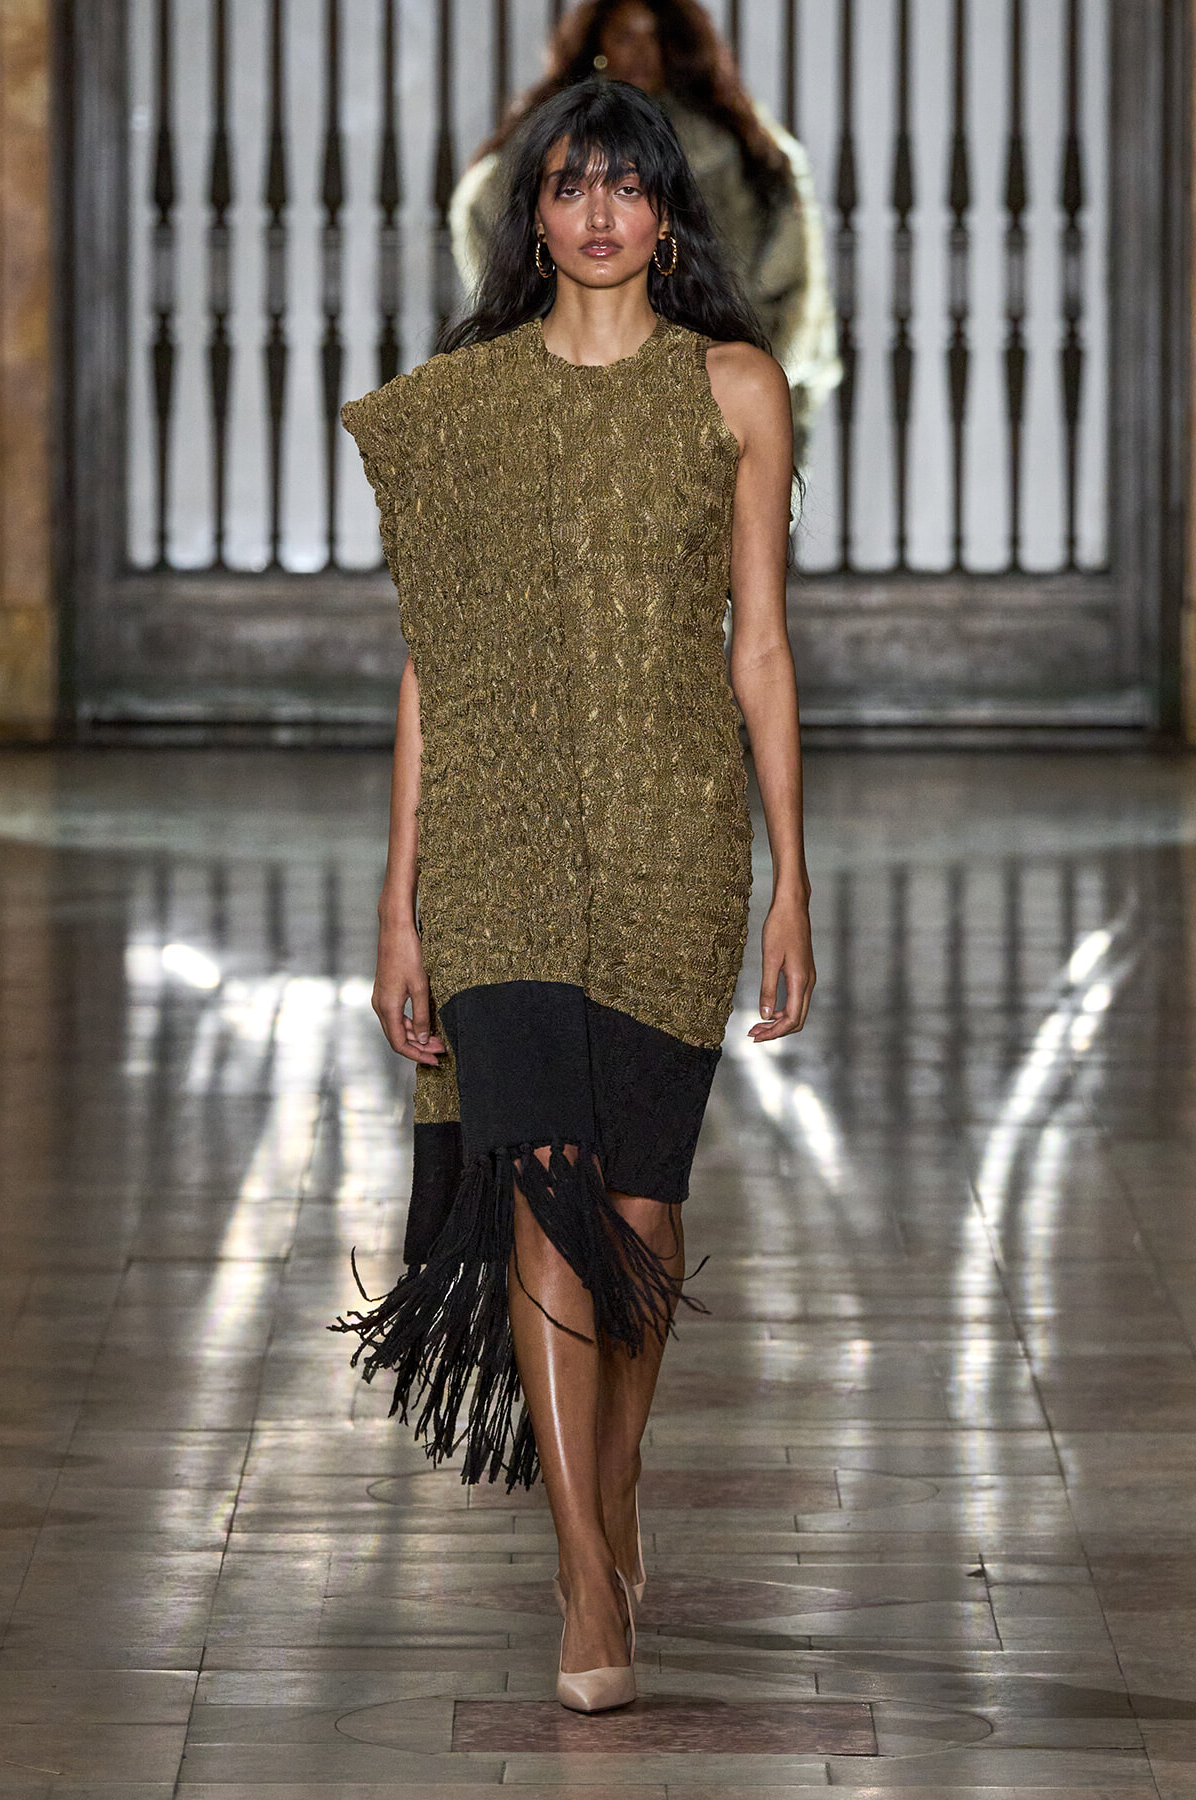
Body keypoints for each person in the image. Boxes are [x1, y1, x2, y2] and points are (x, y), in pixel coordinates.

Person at [335, 78, 814, 1715]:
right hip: (497, 842)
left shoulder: (734, 391)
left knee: (641, 1213)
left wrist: (793, 879)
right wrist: (400, 899)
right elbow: (428, 664)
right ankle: (583, 1580)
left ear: (666, 211)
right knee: (541, 1177)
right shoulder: (457, 409)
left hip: (678, 834)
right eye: (566, 183)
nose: (596, 209)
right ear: (529, 215)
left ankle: (612, 1495)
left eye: (625, 183)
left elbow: (758, 644)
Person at [450, 0, 840, 464]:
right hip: (577, 415)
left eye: (657, 37)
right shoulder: (549, 143)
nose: (643, 52)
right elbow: (489, 225)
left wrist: (746, 389)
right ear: (597, 44)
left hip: (717, 415)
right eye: (625, 35)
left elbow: (794, 294)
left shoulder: (744, 152)